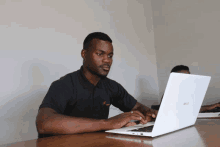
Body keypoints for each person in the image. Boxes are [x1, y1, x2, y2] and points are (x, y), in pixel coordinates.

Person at [36, 32, 157, 138]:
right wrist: (108, 123)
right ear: (84, 54)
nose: (107, 60)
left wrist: (148, 114)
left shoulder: (112, 87)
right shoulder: (64, 84)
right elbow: (44, 123)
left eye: (110, 56)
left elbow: (136, 107)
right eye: (100, 54)